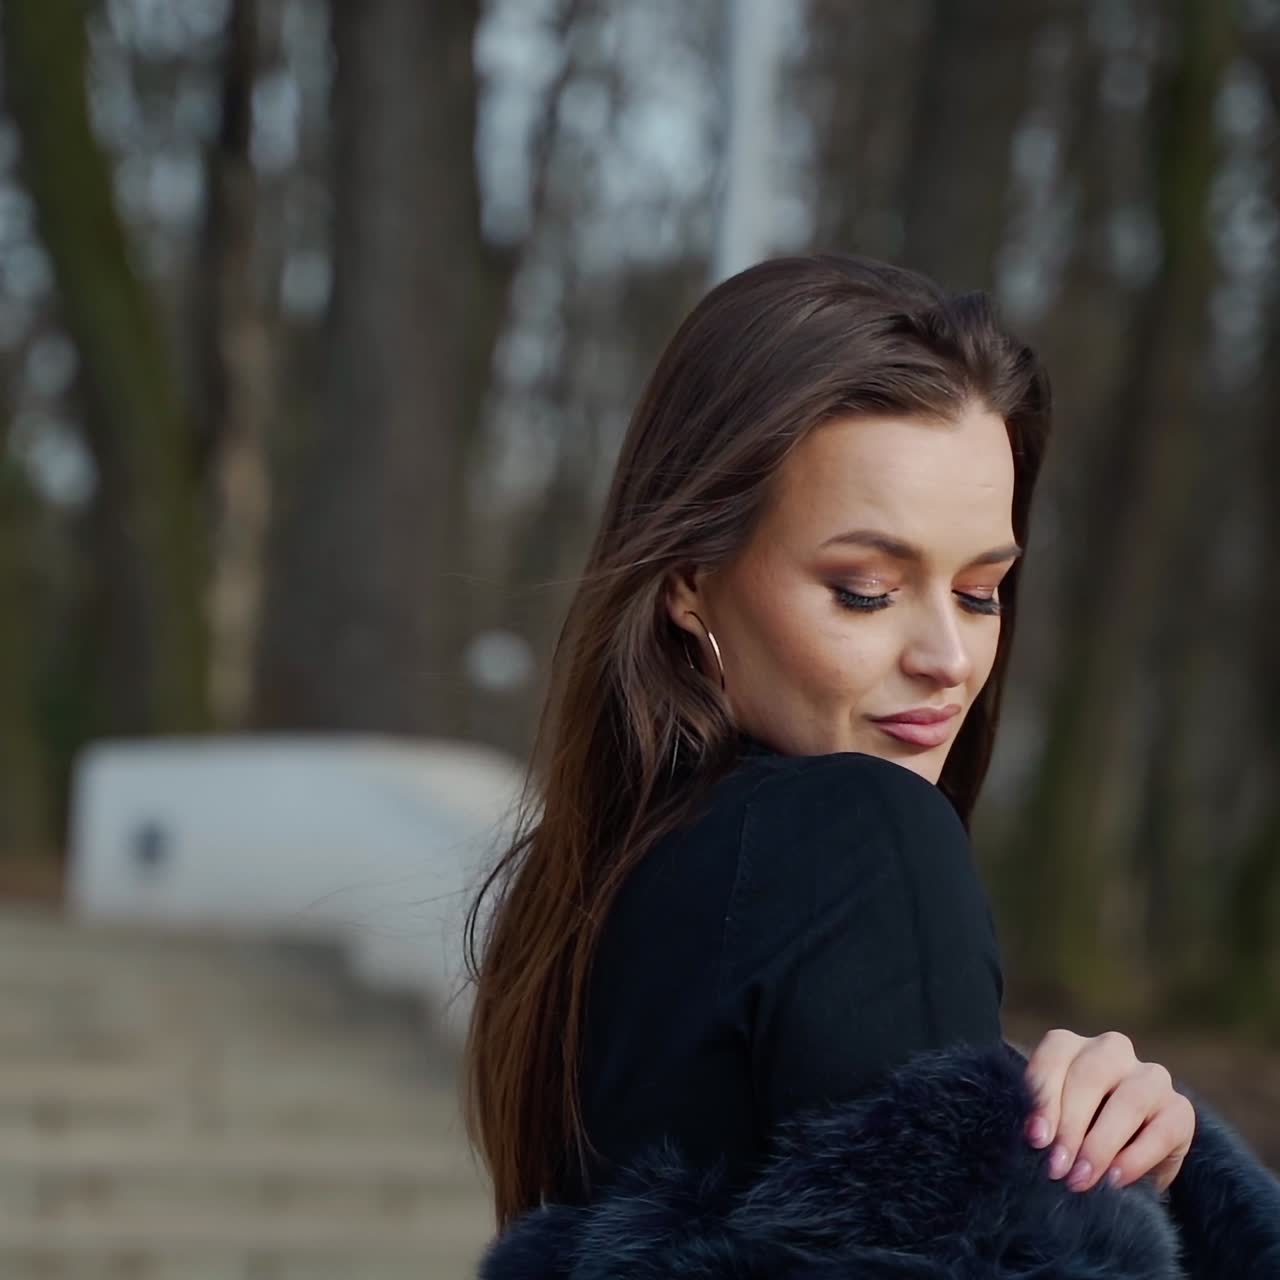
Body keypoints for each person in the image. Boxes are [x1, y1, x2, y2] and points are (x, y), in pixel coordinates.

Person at [459, 253, 1200, 1237]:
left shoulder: (603, 889)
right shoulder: (862, 840)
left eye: (979, 591)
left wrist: (1096, 1156)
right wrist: (1144, 1213)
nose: (947, 656)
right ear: (688, 581)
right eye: (865, 587)